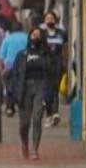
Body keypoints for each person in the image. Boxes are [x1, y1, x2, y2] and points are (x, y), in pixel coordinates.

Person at [8, 28, 57, 160]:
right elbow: (15, 74)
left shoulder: (46, 54)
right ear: (29, 37)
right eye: (33, 34)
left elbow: (53, 71)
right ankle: (24, 143)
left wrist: (47, 56)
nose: (35, 37)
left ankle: (35, 149)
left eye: (38, 35)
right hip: (25, 88)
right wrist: (11, 95)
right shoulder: (22, 54)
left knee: (37, 118)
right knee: (24, 123)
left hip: (41, 86)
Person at [43, 10, 69, 126]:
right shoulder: (42, 34)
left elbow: (65, 49)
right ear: (45, 21)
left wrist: (65, 62)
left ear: (55, 20)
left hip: (57, 63)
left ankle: (55, 113)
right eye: (48, 19)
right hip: (45, 64)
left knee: (55, 89)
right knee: (47, 91)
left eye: (52, 19)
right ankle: (49, 114)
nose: (50, 21)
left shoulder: (61, 33)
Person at [0, 19, 29, 117]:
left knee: (9, 87)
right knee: (23, 86)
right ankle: (23, 106)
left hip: (9, 65)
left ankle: (9, 108)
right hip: (24, 65)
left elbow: (2, 56)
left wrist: (2, 68)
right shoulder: (26, 37)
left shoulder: (7, 39)